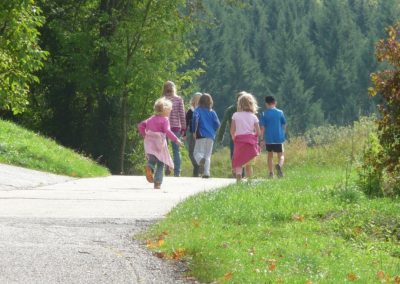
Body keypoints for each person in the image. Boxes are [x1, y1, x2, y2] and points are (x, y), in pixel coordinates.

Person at [138, 97, 183, 189]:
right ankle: (157, 183)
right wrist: (176, 140)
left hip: (150, 142)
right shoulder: (165, 120)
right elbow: (167, 131)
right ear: (165, 110)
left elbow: (141, 125)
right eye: (170, 110)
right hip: (159, 142)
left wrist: (145, 135)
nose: (170, 111)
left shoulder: (151, 118)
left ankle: (149, 167)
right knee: (161, 163)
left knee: (152, 159)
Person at [230, 92, 261, 183]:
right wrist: (254, 137)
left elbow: (232, 130)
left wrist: (233, 137)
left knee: (238, 161)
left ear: (239, 104)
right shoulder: (254, 117)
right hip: (250, 142)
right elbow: (258, 132)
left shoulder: (235, 115)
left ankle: (239, 176)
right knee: (249, 163)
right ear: (252, 104)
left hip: (239, 141)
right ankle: (249, 180)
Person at [192, 93, 220, 178]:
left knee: (197, 152)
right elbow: (217, 124)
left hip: (201, 134)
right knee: (208, 155)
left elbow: (195, 120)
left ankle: (200, 160)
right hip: (211, 135)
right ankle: (206, 173)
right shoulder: (212, 112)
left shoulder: (197, 110)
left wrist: (194, 131)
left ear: (200, 101)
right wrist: (212, 130)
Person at [162, 81, 186, 177]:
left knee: (164, 148)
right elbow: (182, 114)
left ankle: (167, 167)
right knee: (176, 150)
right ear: (174, 88)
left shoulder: (162, 100)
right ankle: (177, 172)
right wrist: (184, 129)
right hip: (176, 127)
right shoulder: (179, 99)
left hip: (163, 127)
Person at [259, 95, 287, 178]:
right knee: (281, 155)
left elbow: (262, 128)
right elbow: (284, 124)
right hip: (279, 138)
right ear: (275, 103)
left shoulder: (264, 114)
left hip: (269, 138)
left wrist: (261, 139)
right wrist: (283, 133)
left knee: (270, 156)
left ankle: (271, 173)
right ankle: (279, 165)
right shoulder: (280, 112)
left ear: (266, 104)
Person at [217, 92, 245, 159]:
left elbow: (223, 123)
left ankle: (235, 169)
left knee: (234, 156)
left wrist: (220, 137)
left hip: (234, 136)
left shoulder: (230, 109)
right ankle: (241, 169)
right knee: (243, 157)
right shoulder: (249, 110)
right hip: (245, 136)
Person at [185, 92, 202, 177]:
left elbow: (186, 123)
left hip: (198, 134)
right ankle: (197, 167)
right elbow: (186, 123)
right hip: (197, 134)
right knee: (193, 152)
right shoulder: (191, 111)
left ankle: (197, 168)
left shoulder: (201, 110)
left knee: (194, 152)